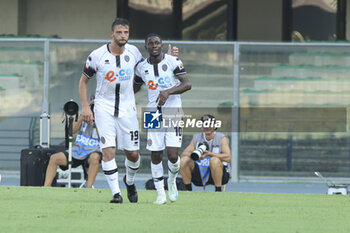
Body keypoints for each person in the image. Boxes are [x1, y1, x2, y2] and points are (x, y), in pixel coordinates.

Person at [79, 18, 178, 203]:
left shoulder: (133, 52)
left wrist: (170, 58)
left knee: (133, 154)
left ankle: (129, 181)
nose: (122, 35)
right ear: (112, 34)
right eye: (119, 32)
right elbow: (83, 81)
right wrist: (86, 106)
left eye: (125, 32)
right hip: (104, 108)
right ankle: (116, 194)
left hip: (127, 109)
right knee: (108, 151)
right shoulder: (97, 55)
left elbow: (149, 66)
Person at [134, 33, 191, 204]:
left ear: (161, 45)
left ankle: (172, 180)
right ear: (146, 46)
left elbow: (187, 84)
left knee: (173, 155)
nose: (154, 46)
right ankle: (160, 194)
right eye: (150, 43)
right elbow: (134, 88)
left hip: (173, 112)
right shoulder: (141, 67)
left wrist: (168, 92)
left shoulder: (173, 61)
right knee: (155, 153)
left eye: (157, 43)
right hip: (153, 114)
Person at [44, 95, 102, 188]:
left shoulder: (105, 119)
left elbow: (104, 137)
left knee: (95, 157)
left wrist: (97, 120)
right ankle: (46, 187)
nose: (93, 107)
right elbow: (72, 131)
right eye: (92, 104)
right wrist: (81, 119)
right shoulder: (83, 115)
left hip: (93, 150)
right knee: (54, 158)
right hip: (77, 150)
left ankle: (89, 188)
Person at [180, 114, 231, 192]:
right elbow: (184, 154)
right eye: (205, 124)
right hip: (199, 173)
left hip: (220, 174)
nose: (207, 127)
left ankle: (218, 191)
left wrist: (209, 154)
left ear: (214, 126)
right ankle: (188, 190)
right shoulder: (196, 137)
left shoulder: (221, 137)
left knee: (214, 160)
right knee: (184, 160)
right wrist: (195, 155)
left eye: (210, 124)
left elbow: (228, 157)